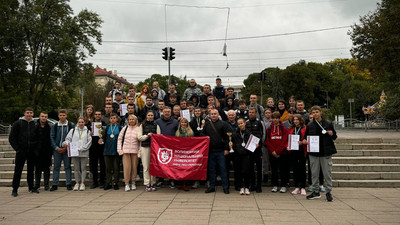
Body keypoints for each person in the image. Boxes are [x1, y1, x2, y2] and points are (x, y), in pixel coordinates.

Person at [304, 106, 337, 202]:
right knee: (314, 173)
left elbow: (334, 136)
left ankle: (328, 192)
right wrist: (305, 141)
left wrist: (331, 134)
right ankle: (315, 191)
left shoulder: (328, 123)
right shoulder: (310, 125)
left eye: (317, 112)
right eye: (313, 112)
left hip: (325, 152)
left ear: (320, 112)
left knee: (327, 173)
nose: (315, 114)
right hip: (314, 152)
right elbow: (306, 137)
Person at [9, 107, 38, 197]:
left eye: (31, 113)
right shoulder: (18, 123)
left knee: (31, 170)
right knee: (18, 170)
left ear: (33, 114)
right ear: (24, 113)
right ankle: (15, 189)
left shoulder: (35, 124)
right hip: (21, 150)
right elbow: (12, 138)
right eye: (27, 113)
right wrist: (17, 149)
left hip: (32, 151)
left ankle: (31, 187)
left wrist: (35, 148)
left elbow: (38, 137)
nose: (29, 114)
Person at [201, 109, 230, 194]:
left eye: (215, 114)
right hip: (210, 151)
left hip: (221, 151)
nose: (213, 115)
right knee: (211, 169)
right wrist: (206, 137)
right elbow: (202, 134)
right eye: (212, 114)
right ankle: (212, 186)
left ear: (218, 114)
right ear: (210, 115)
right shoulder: (207, 124)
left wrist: (227, 149)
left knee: (223, 169)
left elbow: (228, 137)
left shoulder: (224, 124)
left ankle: (225, 187)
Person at [63, 117, 92, 191]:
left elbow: (89, 142)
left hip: (84, 152)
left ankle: (82, 183)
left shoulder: (87, 131)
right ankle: (77, 182)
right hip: (74, 152)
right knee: (76, 169)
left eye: (82, 122)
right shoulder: (73, 130)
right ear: (77, 123)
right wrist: (65, 143)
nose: (81, 124)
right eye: (79, 122)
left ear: (84, 123)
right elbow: (68, 139)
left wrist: (82, 148)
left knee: (83, 168)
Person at [50, 109, 75, 191]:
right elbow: (52, 137)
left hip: (67, 150)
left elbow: (73, 138)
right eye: (60, 115)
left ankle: (68, 183)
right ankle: (54, 184)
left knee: (67, 167)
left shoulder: (71, 125)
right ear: (58, 116)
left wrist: (66, 148)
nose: (62, 117)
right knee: (56, 167)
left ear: (66, 116)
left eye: (64, 115)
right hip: (57, 150)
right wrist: (56, 148)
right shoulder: (55, 126)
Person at [265, 112, 289, 193]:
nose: (275, 120)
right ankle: (275, 185)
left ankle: (283, 185)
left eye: (277, 118)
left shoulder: (284, 129)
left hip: (282, 154)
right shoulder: (269, 129)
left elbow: (285, 141)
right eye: (274, 118)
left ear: (279, 119)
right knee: (274, 170)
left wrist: (278, 151)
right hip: (272, 153)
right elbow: (267, 141)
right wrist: (273, 151)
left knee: (283, 170)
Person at [155, 107, 179, 188]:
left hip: (172, 146)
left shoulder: (175, 122)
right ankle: (160, 180)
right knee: (161, 164)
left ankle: (171, 180)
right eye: (165, 112)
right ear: (163, 112)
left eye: (168, 112)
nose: (167, 113)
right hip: (161, 147)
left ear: (171, 112)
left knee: (171, 164)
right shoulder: (158, 121)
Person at [138, 111, 161, 192]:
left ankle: (153, 182)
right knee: (146, 166)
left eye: (152, 115)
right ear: (146, 116)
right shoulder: (142, 125)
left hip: (154, 148)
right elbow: (139, 137)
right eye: (149, 115)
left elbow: (159, 136)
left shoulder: (156, 125)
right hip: (145, 147)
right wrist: (147, 136)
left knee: (153, 166)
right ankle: (147, 183)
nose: (150, 116)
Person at [118, 114, 140, 192]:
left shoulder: (138, 129)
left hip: (135, 151)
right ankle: (127, 183)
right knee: (126, 168)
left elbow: (140, 141)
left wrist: (139, 151)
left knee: (134, 168)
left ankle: (133, 182)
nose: (131, 121)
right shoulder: (124, 128)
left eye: (133, 119)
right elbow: (120, 139)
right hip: (125, 151)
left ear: (135, 120)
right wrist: (120, 150)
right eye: (130, 119)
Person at [99, 113, 121, 190]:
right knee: (108, 168)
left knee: (116, 167)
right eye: (111, 118)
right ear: (109, 119)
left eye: (114, 118)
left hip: (116, 150)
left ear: (117, 119)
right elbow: (103, 137)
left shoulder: (119, 127)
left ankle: (115, 182)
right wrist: (101, 140)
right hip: (107, 150)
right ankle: (108, 182)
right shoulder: (107, 128)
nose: (113, 120)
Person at [288, 114, 307, 196]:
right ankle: (296, 186)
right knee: (295, 169)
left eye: (297, 120)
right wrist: (287, 146)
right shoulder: (291, 129)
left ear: (300, 120)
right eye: (294, 120)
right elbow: (288, 139)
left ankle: (302, 187)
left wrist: (302, 142)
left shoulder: (304, 128)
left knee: (302, 169)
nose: (295, 121)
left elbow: (306, 139)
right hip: (293, 151)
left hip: (301, 151)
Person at [231, 118, 252, 195]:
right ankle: (240, 187)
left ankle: (246, 187)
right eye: (239, 124)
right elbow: (232, 143)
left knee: (246, 171)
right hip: (237, 155)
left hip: (246, 155)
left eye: (241, 123)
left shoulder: (249, 133)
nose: (240, 125)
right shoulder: (235, 133)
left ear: (245, 123)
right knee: (238, 171)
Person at [246, 107, 264, 193]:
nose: (251, 114)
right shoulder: (246, 123)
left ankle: (259, 186)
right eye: (250, 112)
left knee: (259, 168)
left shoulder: (260, 122)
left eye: (253, 112)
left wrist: (260, 144)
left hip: (258, 149)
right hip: (249, 149)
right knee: (250, 168)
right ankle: (252, 185)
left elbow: (264, 134)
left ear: (256, 113)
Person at [34, 112, 53, 191]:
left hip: (47, 151)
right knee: (37, 169)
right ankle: (37, 184)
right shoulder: (35, 125)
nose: (44, 118)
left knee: (46, 169)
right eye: (42, 116)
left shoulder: (49, 126)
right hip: (37, 151)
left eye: (45, 117)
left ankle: (46, 184)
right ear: (39, 117)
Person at [175, 118, 194, 191]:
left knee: (186, 168)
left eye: (185, 123)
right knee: (179, 168)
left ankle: (185, 183)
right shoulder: (177, 132)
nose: (183, 124)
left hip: (187, 152)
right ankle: (180, 183)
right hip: (179, 153)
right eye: (182, 123)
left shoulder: (190, 132)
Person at [89, 110, 106, 189]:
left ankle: (102, 181)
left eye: (99, 114)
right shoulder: (90, 125)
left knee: (103, 165)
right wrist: (90, 134)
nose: (97, 116)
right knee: (94, 166)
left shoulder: (104, 124)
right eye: (96, 114)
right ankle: (95, 182)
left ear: (101, 115)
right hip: (93, 147)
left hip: (102, 147)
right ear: (94, 115)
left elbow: (106, 135)